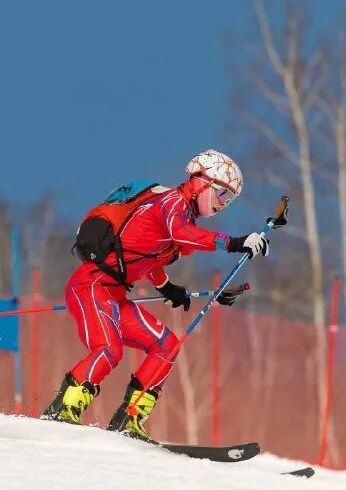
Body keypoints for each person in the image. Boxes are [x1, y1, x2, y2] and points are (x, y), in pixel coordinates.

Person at [42, 149, 284, 441]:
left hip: (115, 295)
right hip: (91, 286)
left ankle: (129, 418)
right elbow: (182, 233)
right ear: (199, 181)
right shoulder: (171, 202)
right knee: (109, 349)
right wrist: (235, 242)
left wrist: (168, 287)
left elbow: (152, 258)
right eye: (221, 193)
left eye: (229, 200)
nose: (223, 204)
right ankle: (62, 409)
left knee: (166, 345)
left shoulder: (178, 219)